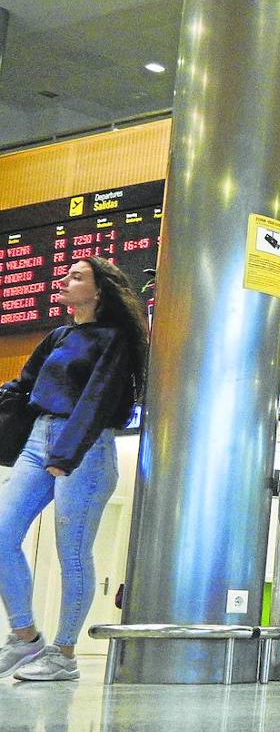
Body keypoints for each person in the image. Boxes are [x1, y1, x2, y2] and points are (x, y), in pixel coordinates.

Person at [0, 257, 148, 682]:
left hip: (84, 447)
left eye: (76, 276)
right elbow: (25, 385)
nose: (64, 280)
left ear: (100, 291)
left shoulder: (114, 339)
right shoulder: (60, 335)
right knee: (3, 534)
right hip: (37, 440)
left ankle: (64, 654)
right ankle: (26, 637)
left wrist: (64, 456)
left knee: (73, 555)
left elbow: (98, 400)